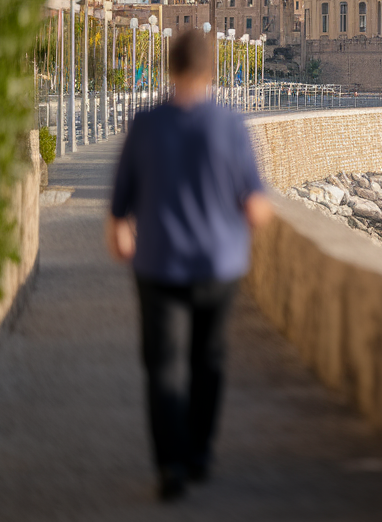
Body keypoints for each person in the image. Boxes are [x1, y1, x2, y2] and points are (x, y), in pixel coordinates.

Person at [106, 30, 272, 501]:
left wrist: (121, 238)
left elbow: (119, 206)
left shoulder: (145, 124)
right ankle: (199, 453)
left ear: (168, 69)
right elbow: (255, 204)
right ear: (211, 72)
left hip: (158, 264)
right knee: (208, 359)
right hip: (219, 265)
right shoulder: (229, 126)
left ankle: (170, 467)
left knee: (163, 367)